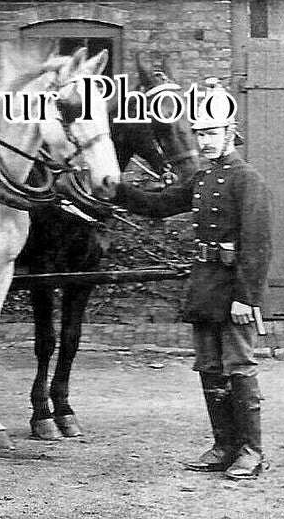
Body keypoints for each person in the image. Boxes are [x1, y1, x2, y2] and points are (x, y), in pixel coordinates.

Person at [114, 79, 271, 480]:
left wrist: (247, 297)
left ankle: (251, 451)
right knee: (208, 366)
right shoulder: (202, 178)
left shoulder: (246, 178)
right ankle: (223, 446)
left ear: (230, 133)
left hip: (234, 287)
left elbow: (257, 243)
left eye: (212, 133)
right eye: (200, 134)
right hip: (204, 284)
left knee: (239, 367)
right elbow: (159, 205)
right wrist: (115, 189)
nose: (204, 141)